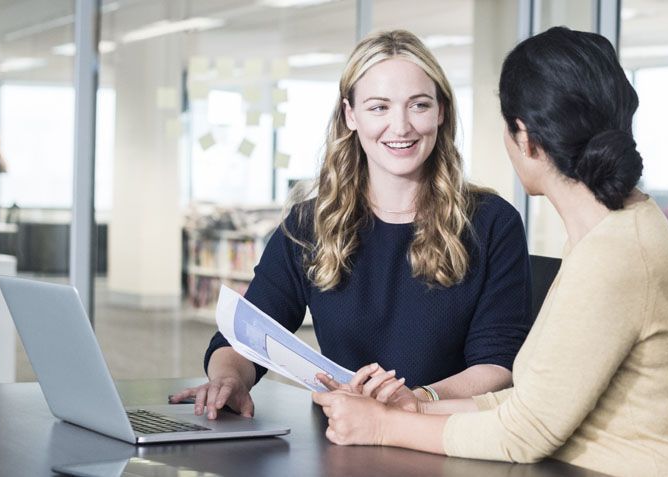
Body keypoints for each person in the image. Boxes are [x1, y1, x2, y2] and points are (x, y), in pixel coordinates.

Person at [312, 27, 668, 477]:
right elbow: (533, 401)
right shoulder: (608, 233)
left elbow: (525, 431)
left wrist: (384, 426)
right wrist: (418, 407)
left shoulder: (614, 255)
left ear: (525, 138)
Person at [171, 30, 531, 419]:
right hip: (341, 439)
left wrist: (416, 400)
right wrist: (230, 379)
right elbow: (245, 335)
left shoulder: (491, 222)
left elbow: (497, 364)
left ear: (441, 112)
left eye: (419, 105)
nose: (401, 126)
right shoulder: (310, 225)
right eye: (379, 107)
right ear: (350, 115)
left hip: (446, 437)